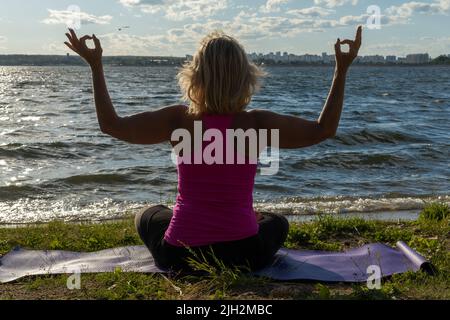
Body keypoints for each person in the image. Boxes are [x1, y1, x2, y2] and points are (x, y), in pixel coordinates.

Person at [64, 26, 362, 272]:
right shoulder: (256, 124)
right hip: (244, 255)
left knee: (148, 214)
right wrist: (341, 70)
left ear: (195, 75)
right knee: (277, 222)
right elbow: (324, 130)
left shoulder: (178, 119)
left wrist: (95, 65)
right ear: (245, 78)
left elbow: (112, 126)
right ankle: (243, 219)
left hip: (180, 256)